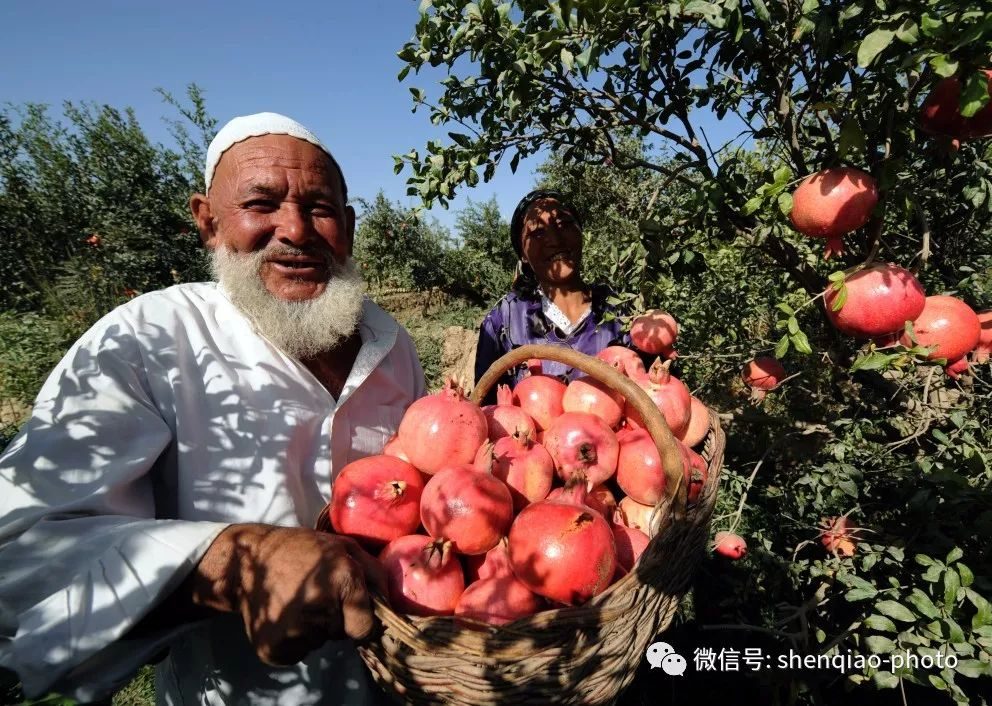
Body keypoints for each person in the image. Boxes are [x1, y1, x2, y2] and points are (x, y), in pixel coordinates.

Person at [0, 113, 425, 705]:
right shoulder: (145, 340)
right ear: (207, 222)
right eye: (262, 203)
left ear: (348, 226)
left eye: (321, 208)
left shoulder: (393, 346)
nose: (296, 230)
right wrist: (235, 562)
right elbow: (20, 552)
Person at [474, 189, 633, 395]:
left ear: (580, 232)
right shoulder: (504, 321)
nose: (555, 239)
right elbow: (482, 410)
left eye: (564, 225)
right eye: (538, 232)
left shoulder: (619, 309)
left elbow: (651, 395)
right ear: (522, 254)